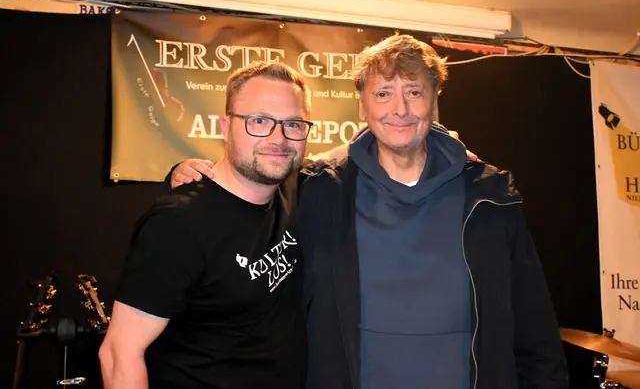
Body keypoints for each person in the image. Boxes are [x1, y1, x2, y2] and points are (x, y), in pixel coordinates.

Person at [171, 34, 568, 389]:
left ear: (434, 102)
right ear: (362, 107)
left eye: (415, 91)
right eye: (382, 94)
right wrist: (187, 174)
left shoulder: (489, 196)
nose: (400, 109)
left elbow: (534, 326)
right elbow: (245, 195)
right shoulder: (320, 189)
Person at [99, 62, 315, 389]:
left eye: (293, 124)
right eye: (259, 121)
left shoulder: (294, 190)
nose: (278, 138)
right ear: (225, 127)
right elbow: (119, 353)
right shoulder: (178, 224)